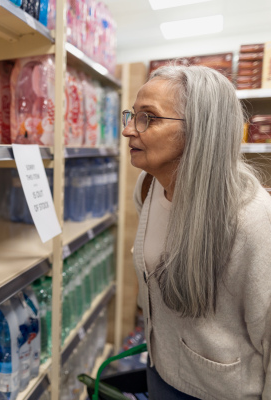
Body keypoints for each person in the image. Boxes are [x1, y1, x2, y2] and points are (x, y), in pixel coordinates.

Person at [121, 64, 271, 400]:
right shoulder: (149, 188)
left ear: (201, 130)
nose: (129, 130)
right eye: (131, 115)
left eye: (149, 117)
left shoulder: (253, 220)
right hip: (159, 370)